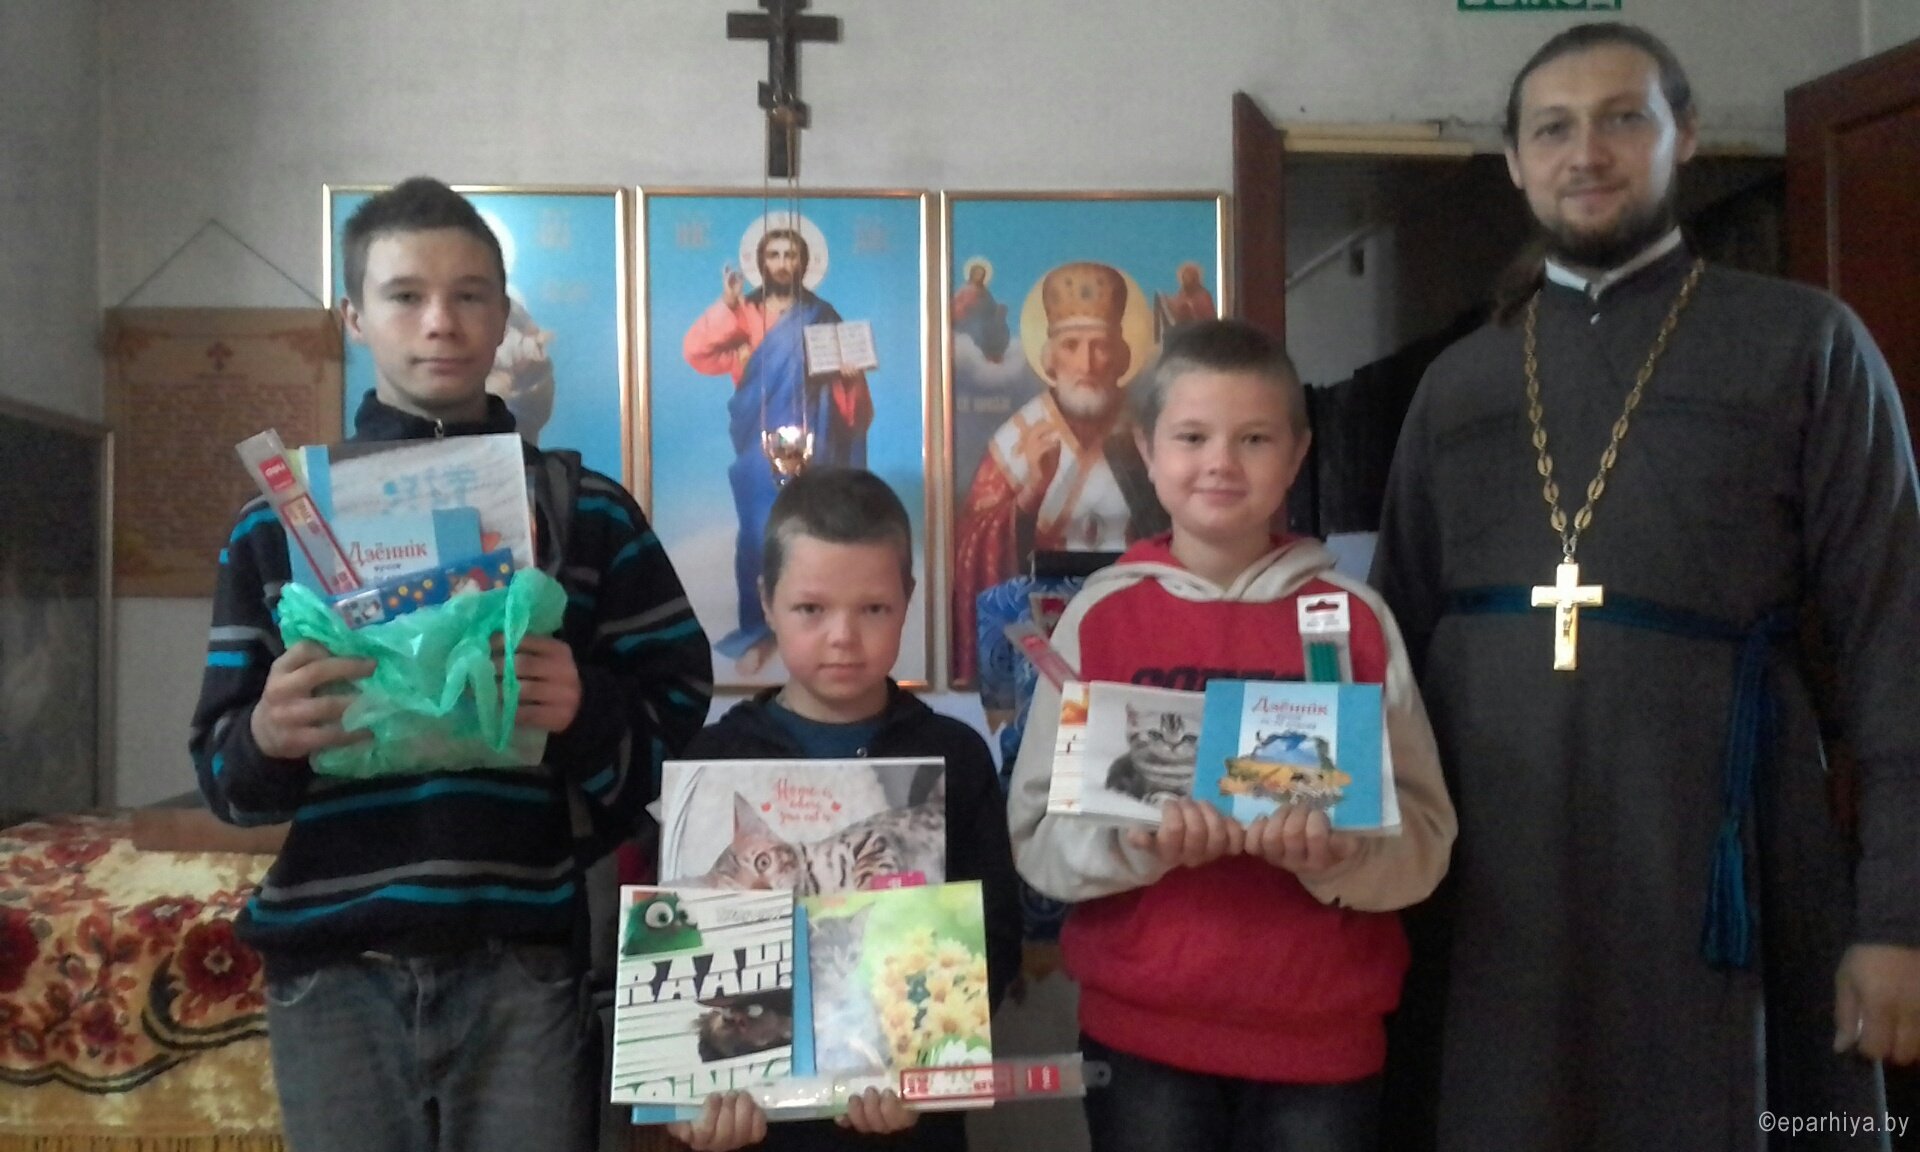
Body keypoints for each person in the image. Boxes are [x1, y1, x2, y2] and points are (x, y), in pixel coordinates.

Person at [1369, 24, 1920, 1151]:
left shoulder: (1805, 343)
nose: (1587, 152)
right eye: (1553, 129)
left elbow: (1898, 644)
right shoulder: (1458, 383)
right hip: (1491, 890)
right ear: (1515, 161)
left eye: (1624, 117)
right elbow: (1385, 669)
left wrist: (1900, 920)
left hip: (1726, 864)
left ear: (1686, 135)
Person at [189, 177, 714, 1152]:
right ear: (353, 316)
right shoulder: (279, 524)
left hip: (524, 954)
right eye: (405, 295)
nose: (441, 321)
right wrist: (265, 734)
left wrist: (586, 709)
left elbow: (678, 715)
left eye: (471, 294)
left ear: (504, 313)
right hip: (331, 962)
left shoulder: (586, 511)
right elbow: (223, 776)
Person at [1007, 319, 1457, 1152]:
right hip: (1143, 1038)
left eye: (1253, 439)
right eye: (1192, 437)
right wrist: (1139, 846)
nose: (1221, 462)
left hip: (1322, 1042)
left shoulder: (1358, 621)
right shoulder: (1099, 621)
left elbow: (1426, 843)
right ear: (1148, 450)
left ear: (1297, 455)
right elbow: (1037, 837)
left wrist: (1340, 859)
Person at [661, 466, 1022, 1152]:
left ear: (907, 601)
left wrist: (928, 1059)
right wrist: (690, 1101)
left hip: (907, 1123)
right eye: (811, 609)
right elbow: (677, 963)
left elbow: (995, 939)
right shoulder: (713, 762)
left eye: (873, 609)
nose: (843, 636)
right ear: (766, 602)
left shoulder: (956, 755)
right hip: (757, 1133)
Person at [950, 260, 1159, 682]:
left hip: (1137, 626)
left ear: (1121, 355)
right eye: (1071, 346)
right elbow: (974, 543)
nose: (1087, 363)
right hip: (1043, 636)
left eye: (1100, 346)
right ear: (1049, 357)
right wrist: (1030, 494)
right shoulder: (1016, 438)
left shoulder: (1150, 434)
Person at [684, 225, 874, 677]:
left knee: (816, 533)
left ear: (804, 263)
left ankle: (818, 629)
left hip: (816, 441)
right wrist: (727, 305)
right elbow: (699, 352)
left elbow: (851, 398)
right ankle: (757, 631)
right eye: (775, 255)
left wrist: (848, 377)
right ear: (762, 263)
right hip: (758, 445)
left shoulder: (822, 315)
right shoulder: (745, 312)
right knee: (758, 534)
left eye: (791, 255)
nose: (783, 263)